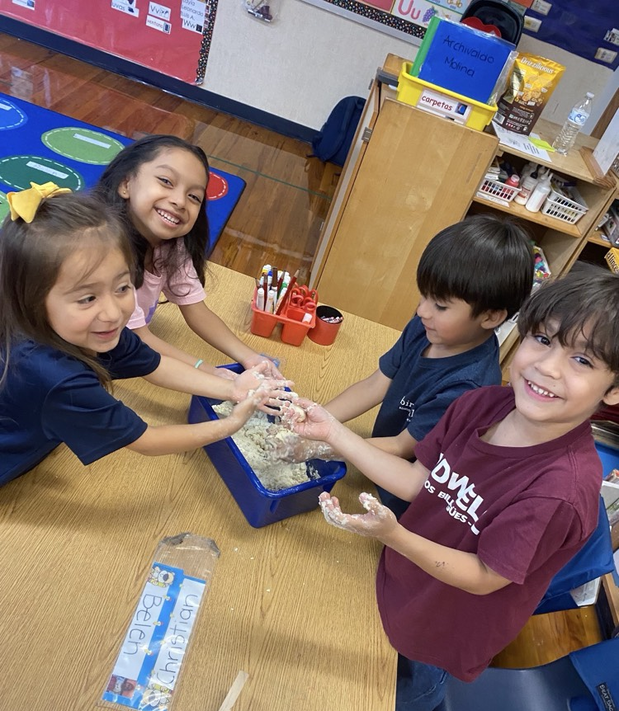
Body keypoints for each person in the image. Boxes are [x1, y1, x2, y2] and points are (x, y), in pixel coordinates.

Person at [280, 266, 619, 711]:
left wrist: (393, 535)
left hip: (442, 631)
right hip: (402, 581)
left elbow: (485, 575)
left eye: (582, 360)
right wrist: (334, 433)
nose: (547, 367)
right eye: (542, 339)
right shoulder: (484, 404)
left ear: (613, 391)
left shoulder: (560, 489)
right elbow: (422, 480)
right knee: (340, 693)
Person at [0, 184, 288, 487]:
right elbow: (147, 440)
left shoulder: (84, 328)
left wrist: (233, 390)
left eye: (122, 287)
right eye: (87, 298)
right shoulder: (56, 379)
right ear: (31, 301)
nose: (112, 312)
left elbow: (154, 364)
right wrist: (230, 424)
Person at [273, 215, 534, 517]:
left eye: (441, 305)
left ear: (490, 317)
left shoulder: (467, 386)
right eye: (424, 295)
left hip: (398, 496)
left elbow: (401, 447)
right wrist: (311, 423)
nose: (422, 310)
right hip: (366, 456)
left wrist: (318, 446)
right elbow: (374, 385)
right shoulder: (426, 327)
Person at [96, 134, 282, 379]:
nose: (180, 201)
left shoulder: (171, 247)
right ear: (126, 183)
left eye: (194, 196)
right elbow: (138, 340)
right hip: (87, 360)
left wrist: (251, 358)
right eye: (166, 181)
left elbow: (196, 310)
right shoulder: (103, 252)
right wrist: (212, 374)